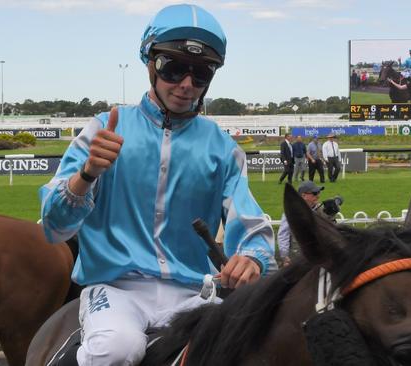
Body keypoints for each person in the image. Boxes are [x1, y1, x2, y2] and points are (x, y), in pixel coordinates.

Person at [38, 4, 276, 365]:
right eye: (174, 68)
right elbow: (54, 228)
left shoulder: (223, 148)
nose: (185, 84)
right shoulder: (104, 129)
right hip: (117, 289)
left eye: (200, 74)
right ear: (150, 64)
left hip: (196, 290)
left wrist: (252, 258)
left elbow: (251, 222)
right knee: (117, 349)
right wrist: (86, 176)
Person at [276, 181, 322, 266]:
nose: (318, 196)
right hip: (297, 259)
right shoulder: (291, 212)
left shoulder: (320, 209)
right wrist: (285, 256)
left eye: (318, 193)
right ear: (303, 196)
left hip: (318, 257)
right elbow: (283, 234)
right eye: (314, 193)